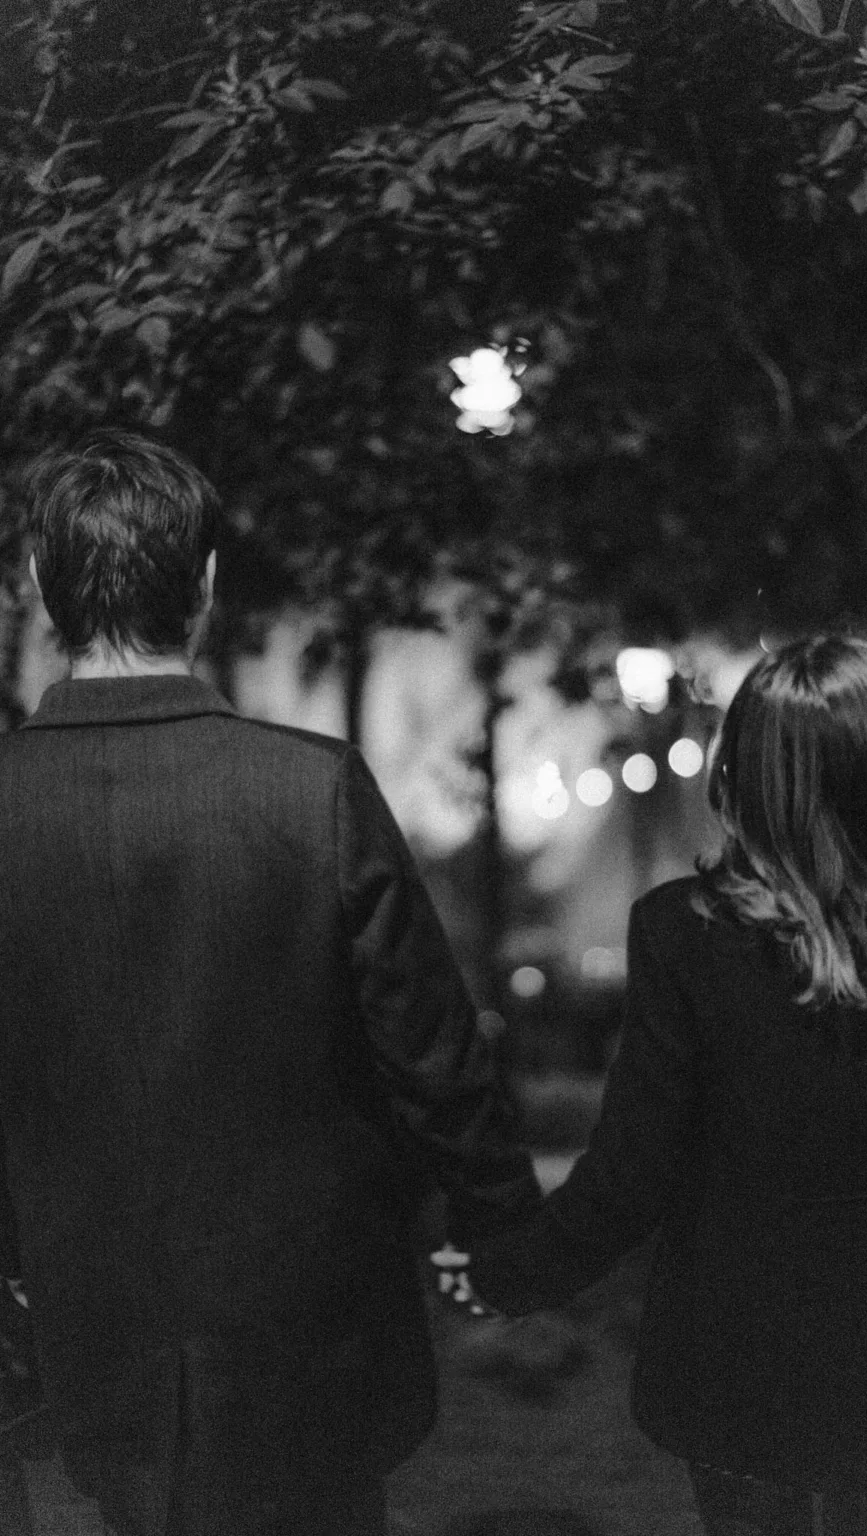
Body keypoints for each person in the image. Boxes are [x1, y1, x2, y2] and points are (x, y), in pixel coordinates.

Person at [0, 428, 541, 1536]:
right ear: (203, 583)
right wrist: (498, 1227)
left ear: (42, 589)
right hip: (312, 1335)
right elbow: (430, 1051)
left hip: (84, 1321)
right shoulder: (311, 790)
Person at [459, 634, 867, 1536]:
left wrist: (507, 1273)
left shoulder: (684, 932)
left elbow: (632, 1170)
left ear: (747, 768)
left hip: (735, 1352)